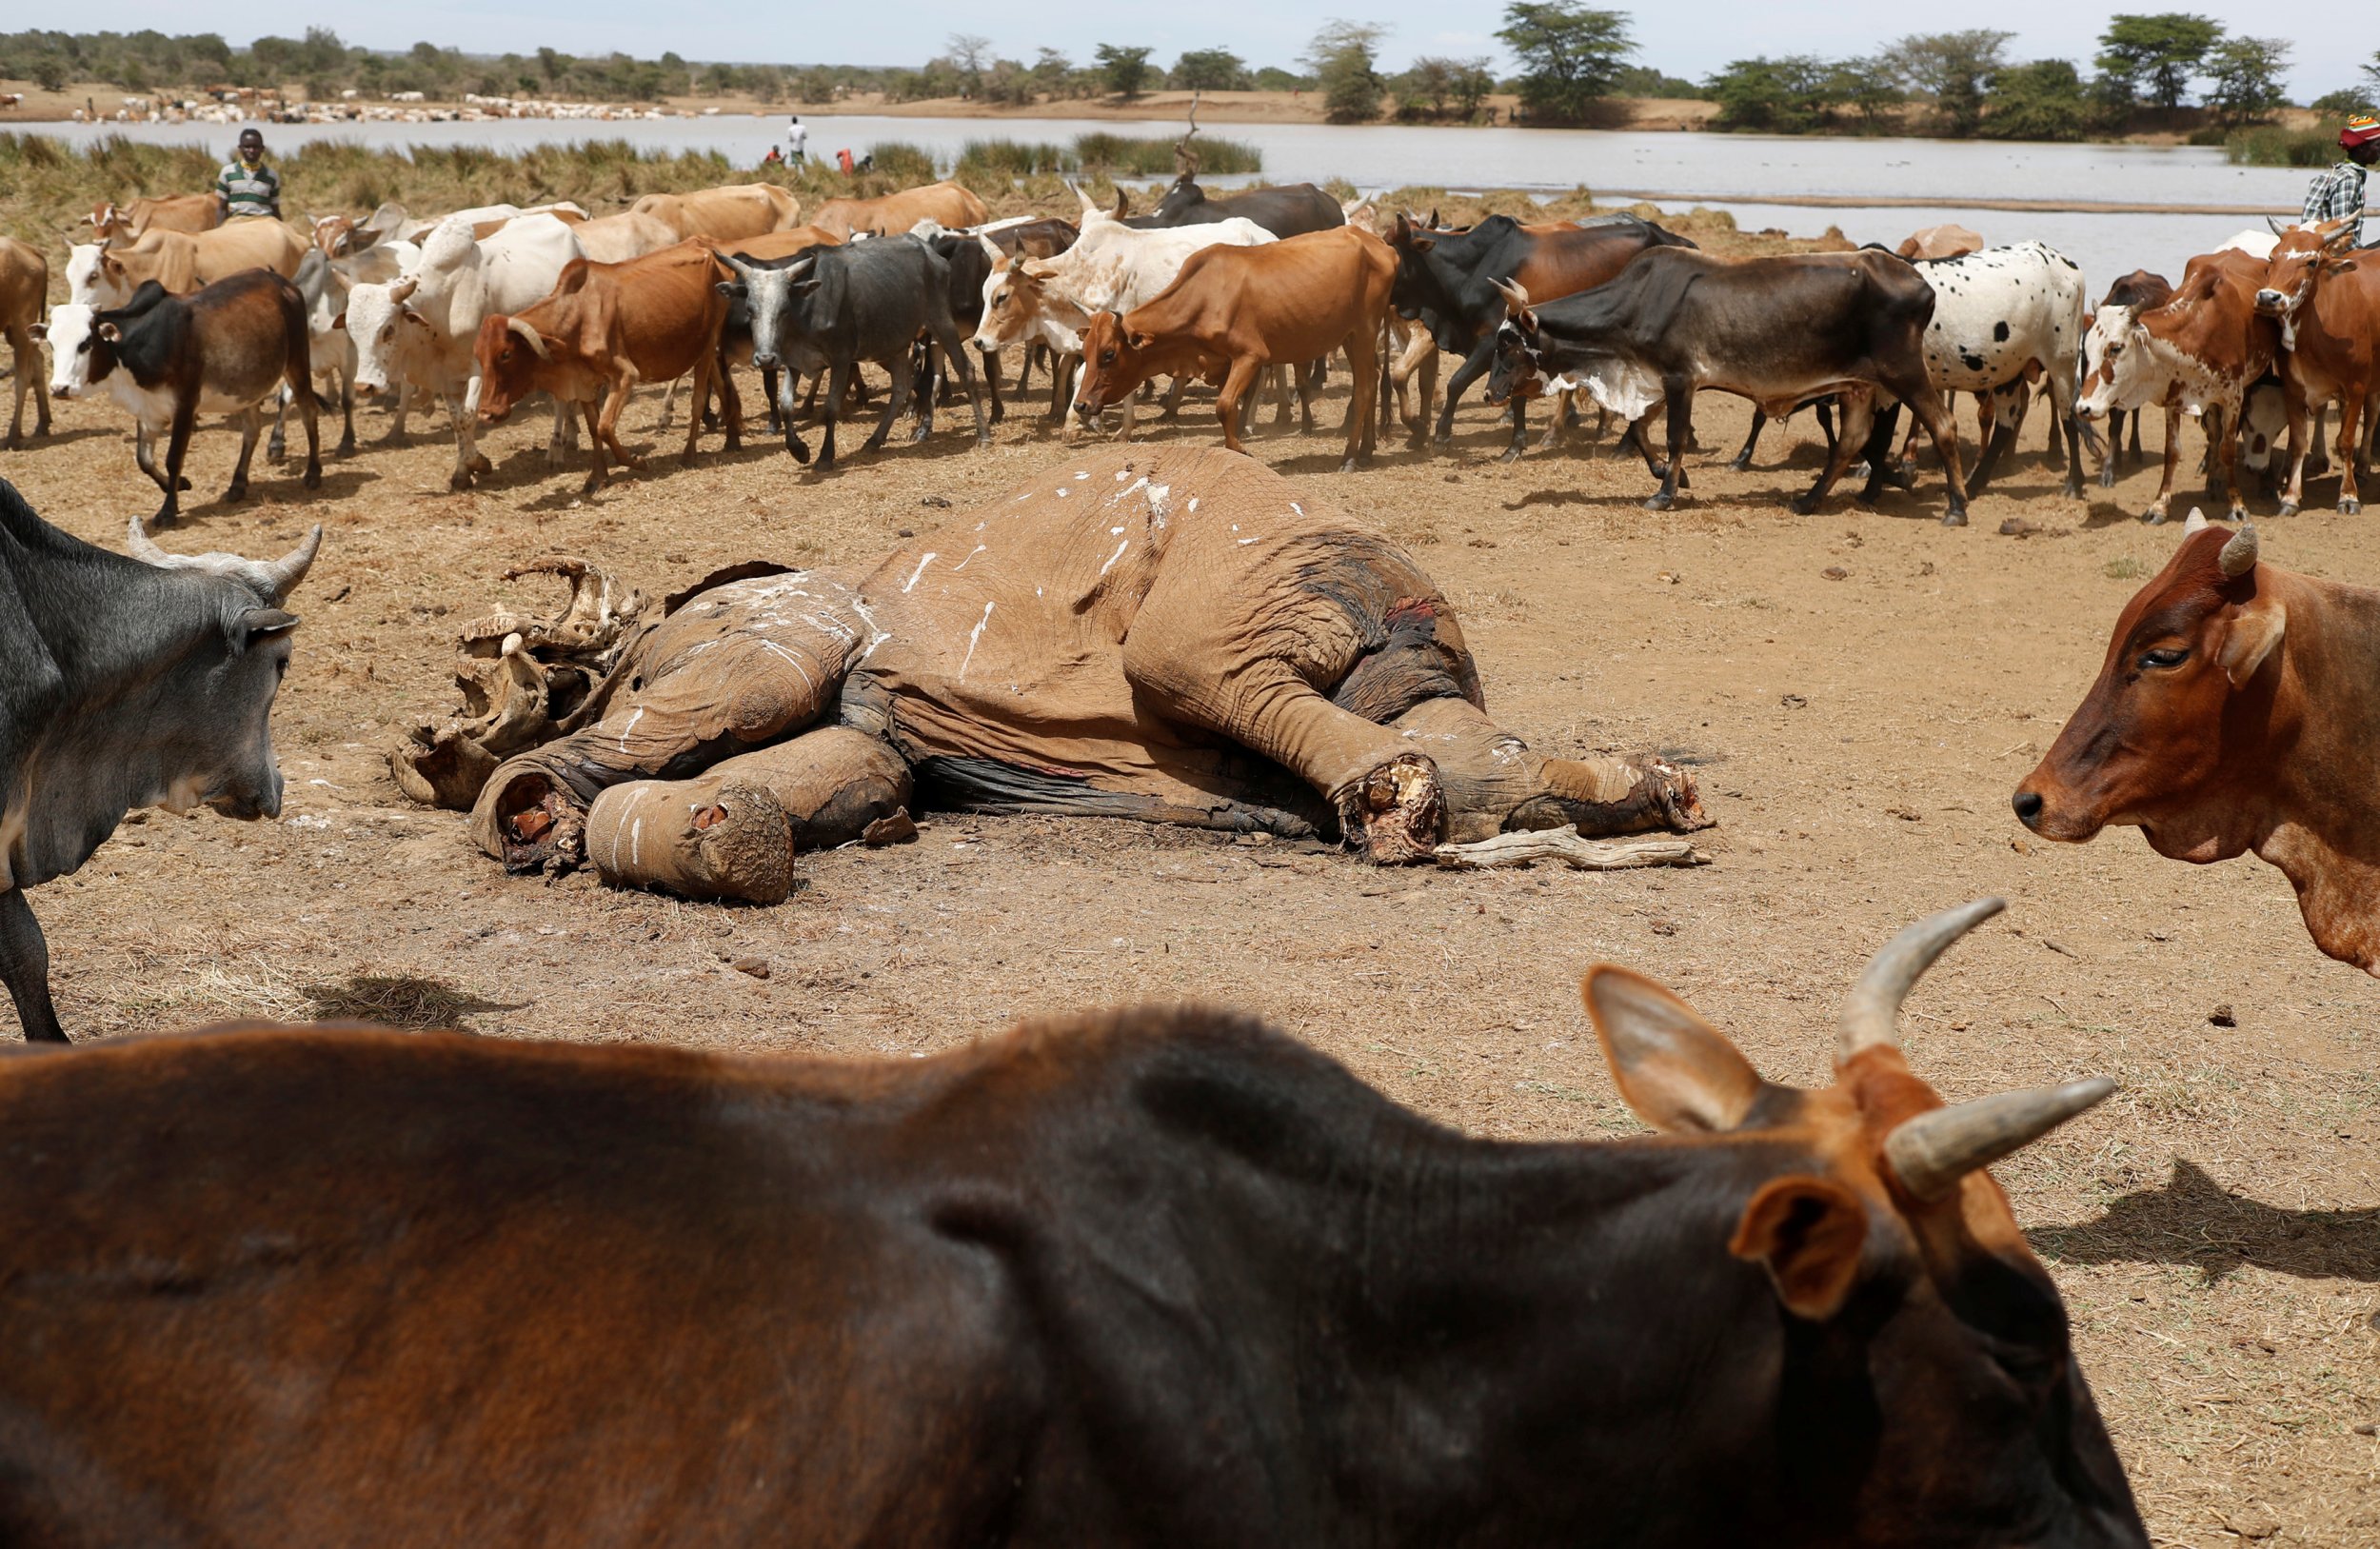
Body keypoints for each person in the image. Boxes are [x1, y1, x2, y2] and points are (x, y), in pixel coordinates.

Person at [2302, 113, 2377, 247]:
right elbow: (2341, 235)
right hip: (2329, 252)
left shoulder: (2334, 173)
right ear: (2361, 147)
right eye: (2378, 145)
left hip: (2311, 246)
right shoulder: (2349, 179)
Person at [215, 127, 281, 220]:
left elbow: (275, 209)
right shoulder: (227, 172)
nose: (251, 150)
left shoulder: (272, 176)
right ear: (240, 148)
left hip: (264, 223)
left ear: (262, 149)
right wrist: (219, 231)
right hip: (237, 222)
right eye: (247, 147)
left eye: (255, 147)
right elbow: (222, 208)